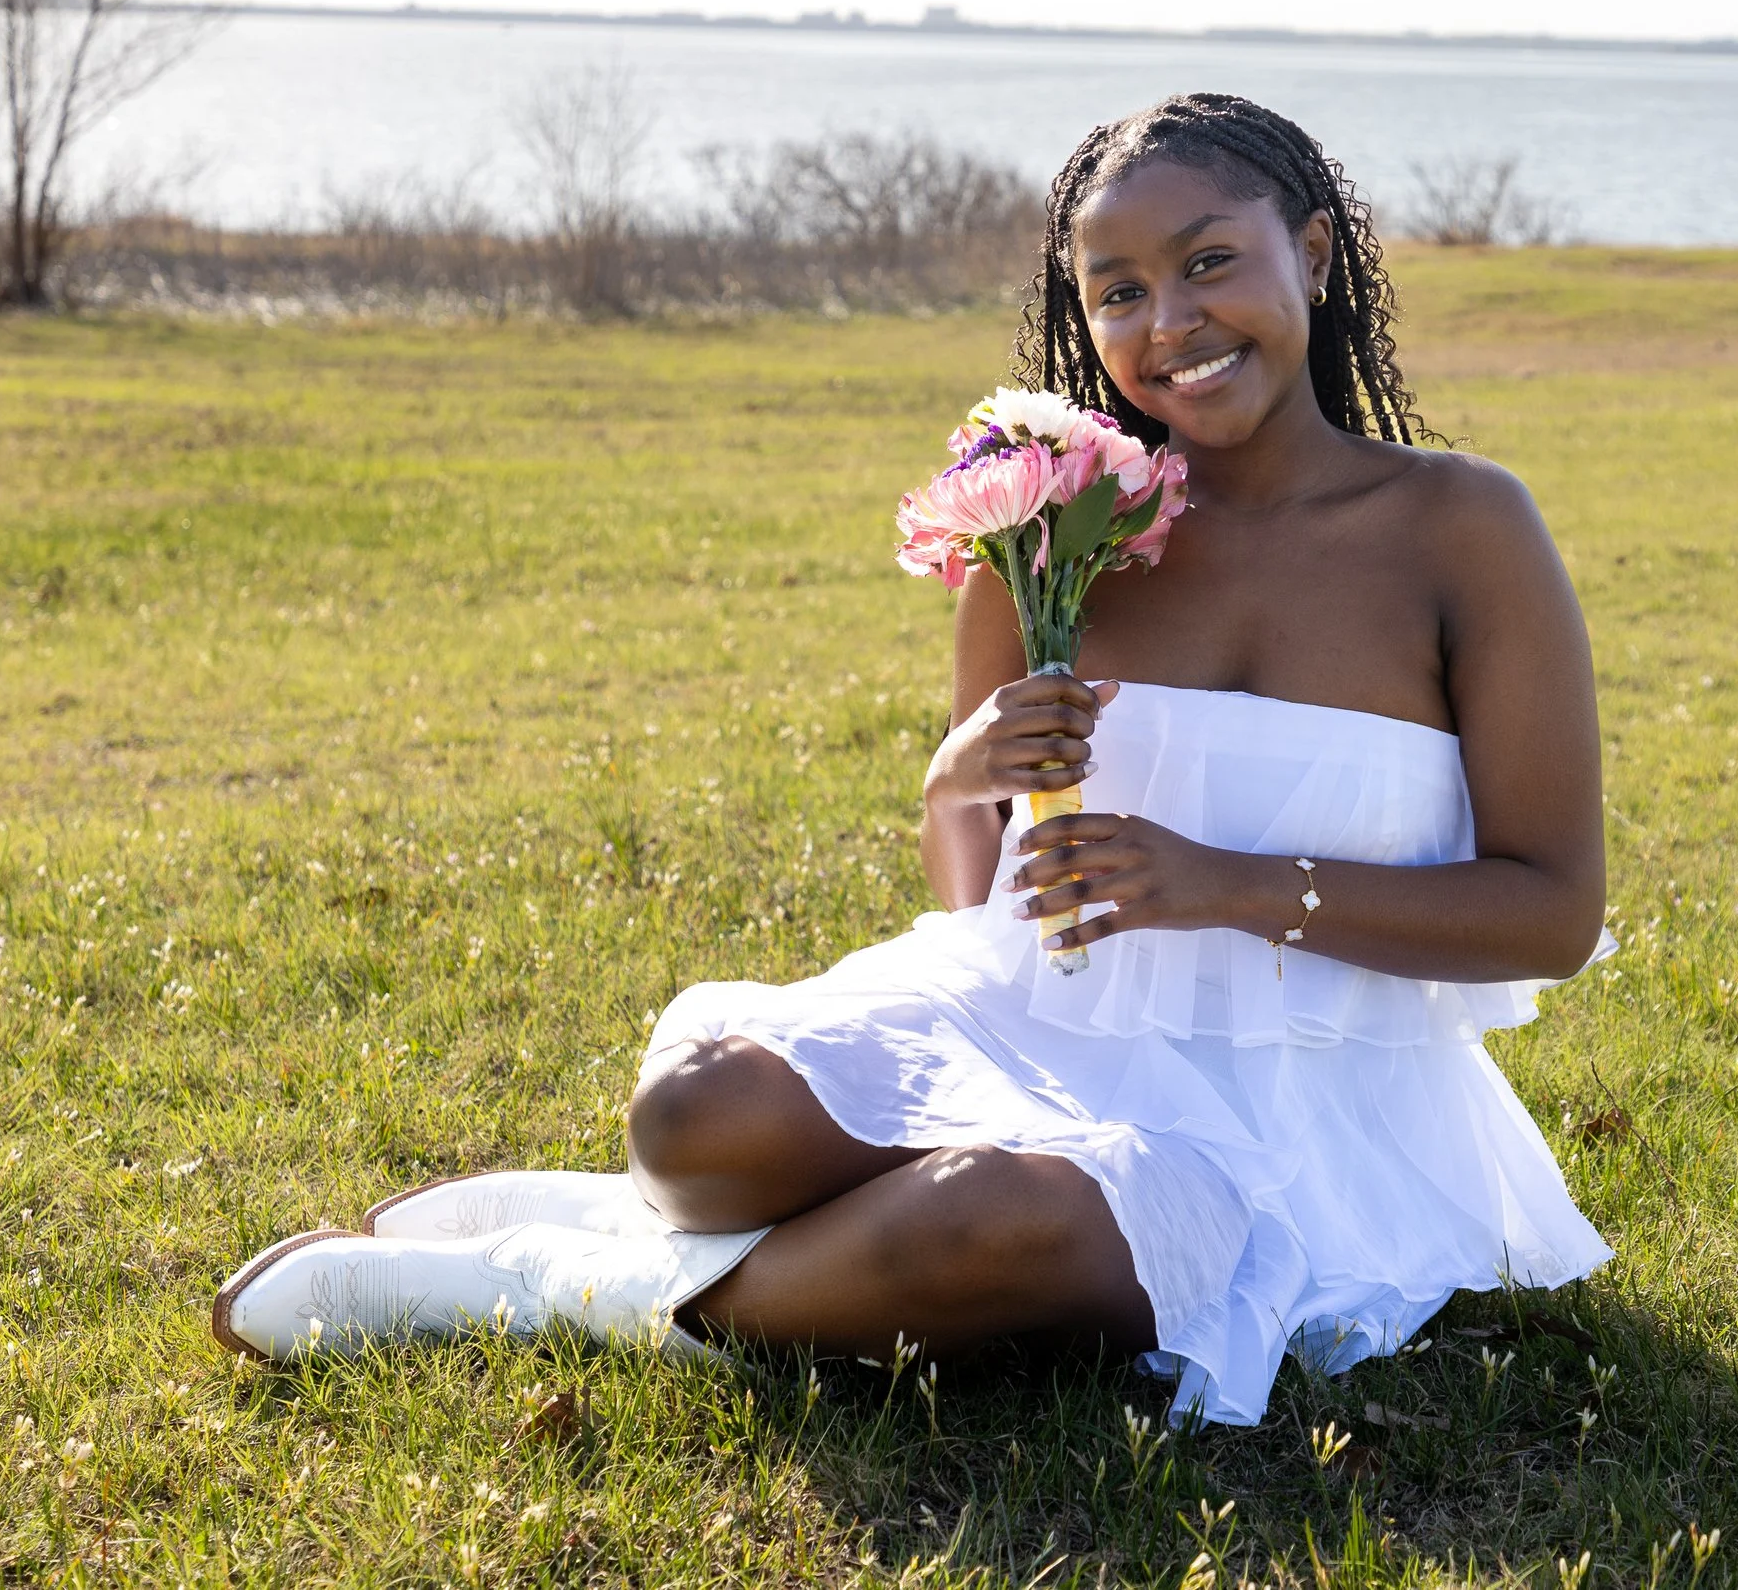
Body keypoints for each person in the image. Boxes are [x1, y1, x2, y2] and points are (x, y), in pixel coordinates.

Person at [212, 93, 1615, 1427]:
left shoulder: (1462, 527)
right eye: (1117, 291)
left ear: (1310, 254)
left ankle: (562, 1281)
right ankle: (626, 1206)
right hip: (1036, 1016)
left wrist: (1223, 881)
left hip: (1303, 1104)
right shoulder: (1060, 524)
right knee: (694, 1122)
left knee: (986, 1222)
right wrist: (960, 775)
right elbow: (976, 896)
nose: (1168, 322)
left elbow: (1547, 911)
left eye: (1209, 264)